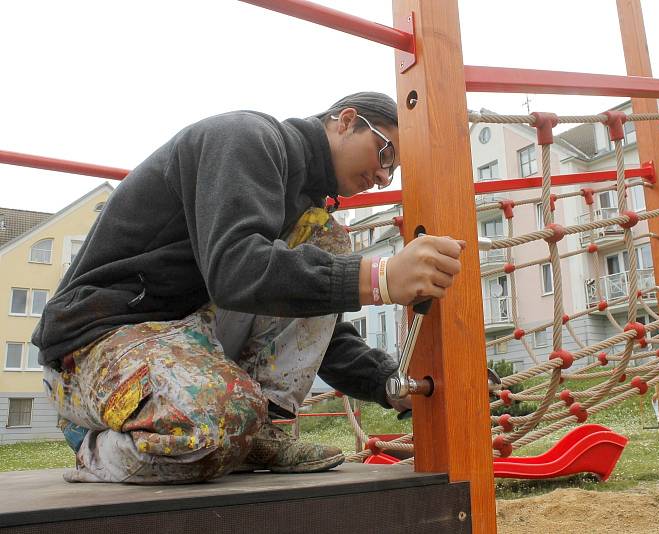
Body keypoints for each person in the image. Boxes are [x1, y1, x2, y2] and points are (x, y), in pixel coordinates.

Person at [32, 92, 466, 484]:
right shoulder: (246, 139)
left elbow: (311, 329)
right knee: (211, 426)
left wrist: (393, 383)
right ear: (344, 120)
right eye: (385, 152)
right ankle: (94, 444)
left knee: (329, 244)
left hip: (183, 336)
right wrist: (381, 278)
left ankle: (263, 429)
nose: (383, 175)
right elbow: (237, 270)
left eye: (393, 170)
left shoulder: (306, 214)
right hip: (97, 342)